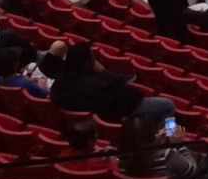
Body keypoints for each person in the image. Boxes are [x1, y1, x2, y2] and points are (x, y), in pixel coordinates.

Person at [46, 40, 175, 124]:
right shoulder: (102, 83)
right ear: (88, 63)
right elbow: (134, 96)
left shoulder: (59, 83)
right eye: (92, 58)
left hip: (94, 121)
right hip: (116, 115)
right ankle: (170, 137)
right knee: (167, 104)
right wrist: (103, 71)